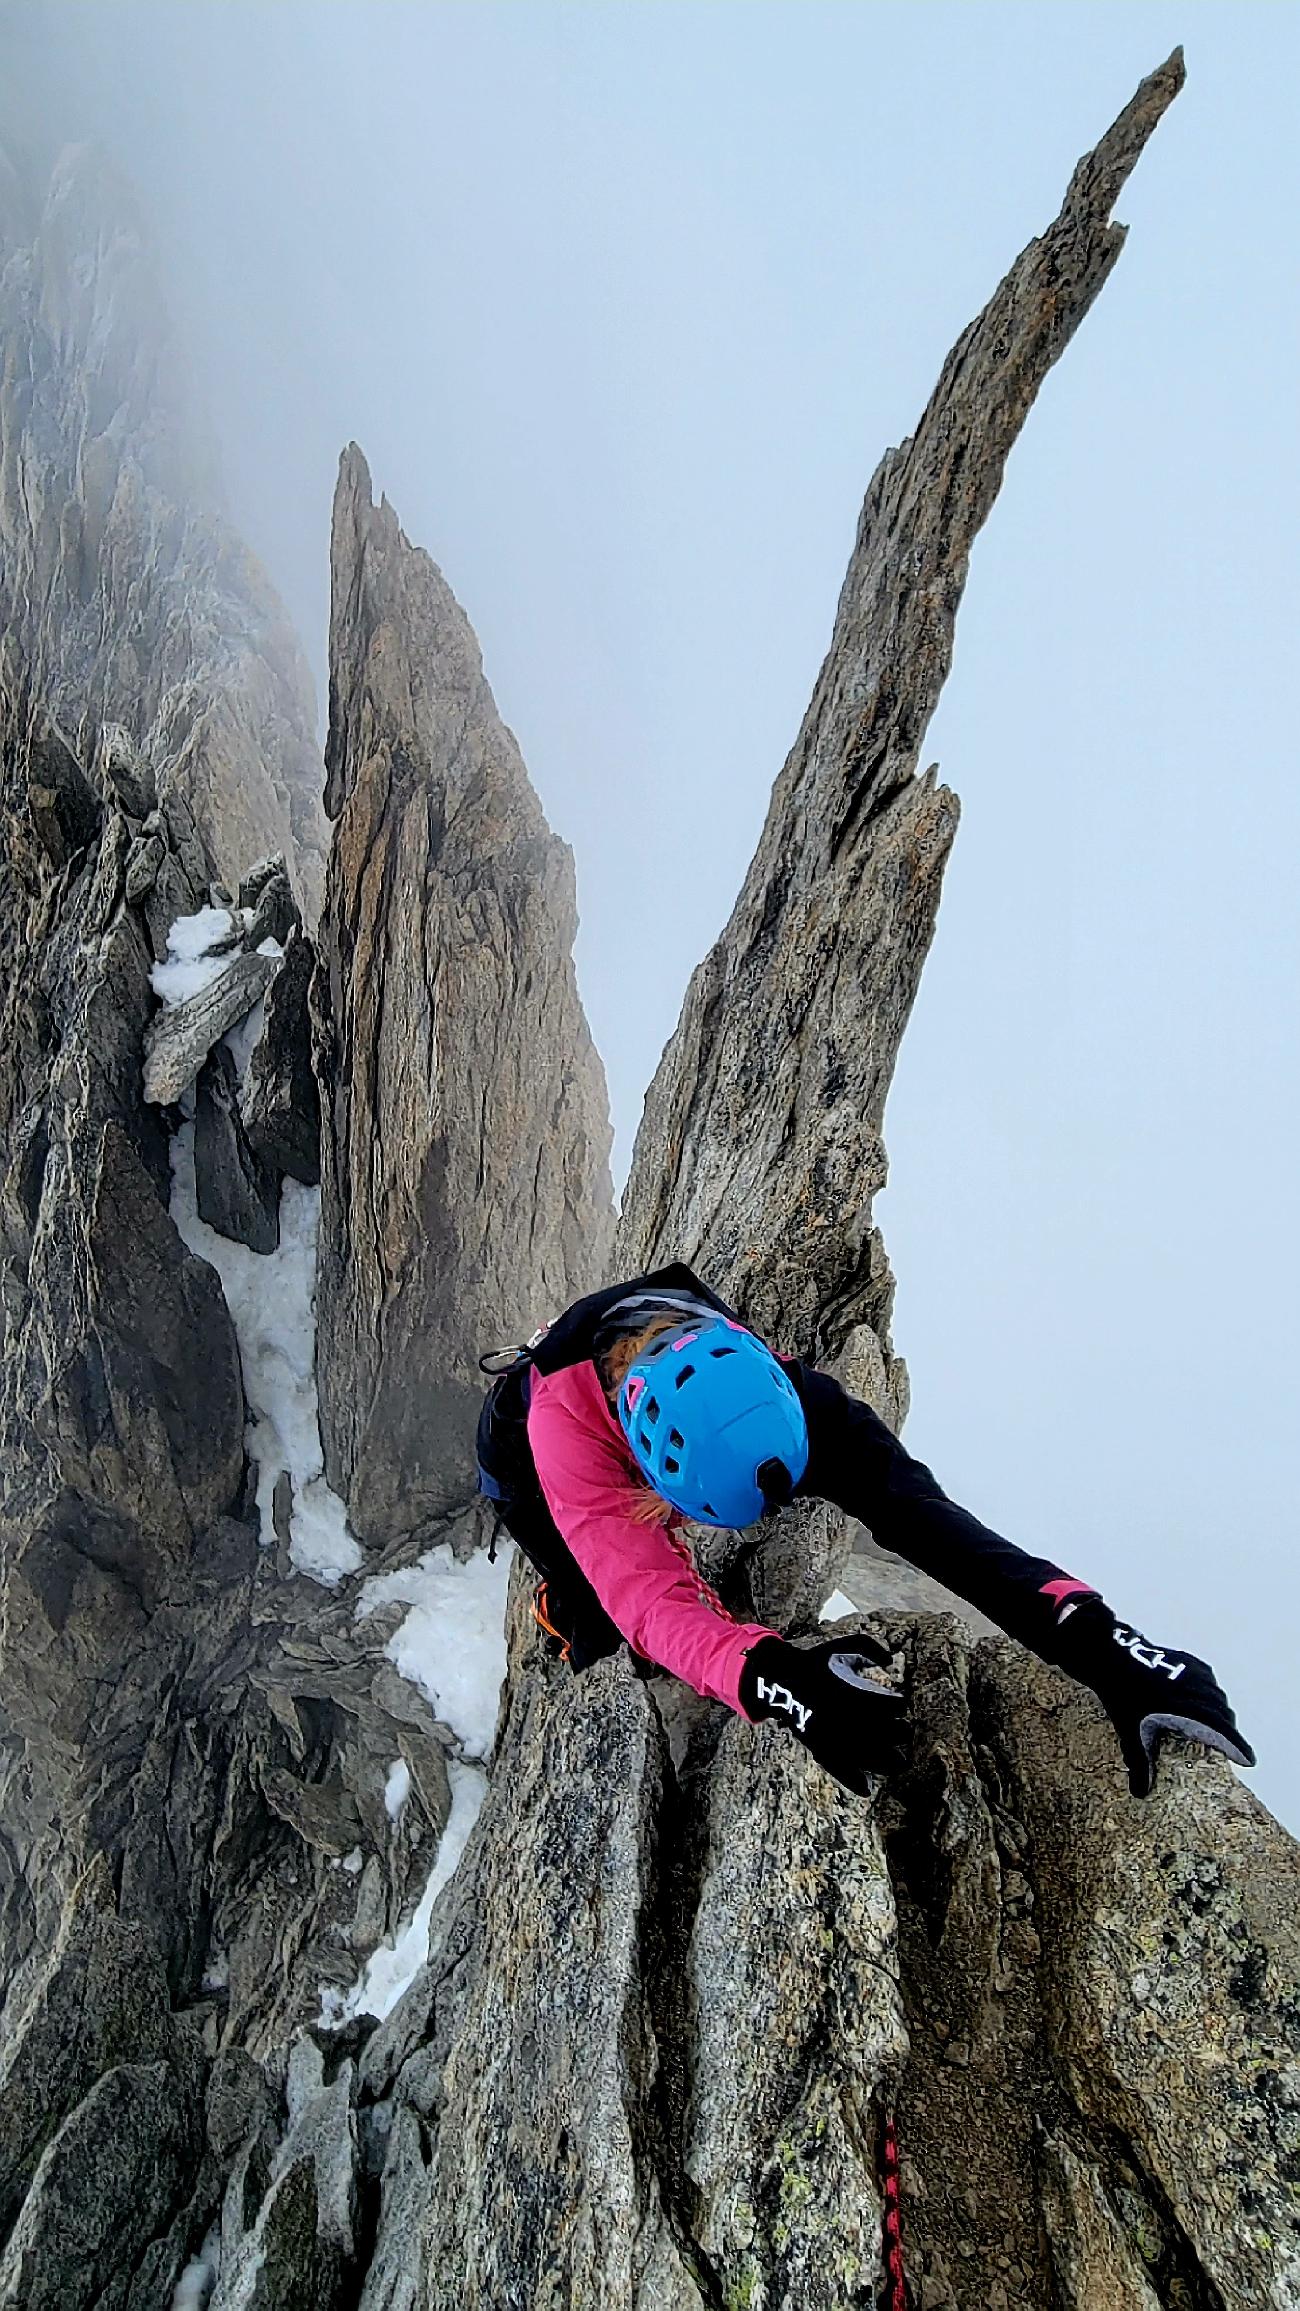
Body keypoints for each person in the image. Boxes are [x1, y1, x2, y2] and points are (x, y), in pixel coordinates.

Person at [477, 1262, 1254, 1800]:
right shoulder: (568, 1440)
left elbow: (933, 1526)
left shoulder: (770, 1390)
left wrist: (1105, 1647)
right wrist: (781, 1681)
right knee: (600, 1617)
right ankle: (565, 1613)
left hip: (698, 1417)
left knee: (882, 1490)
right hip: (522, 1469)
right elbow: (651, 1602)